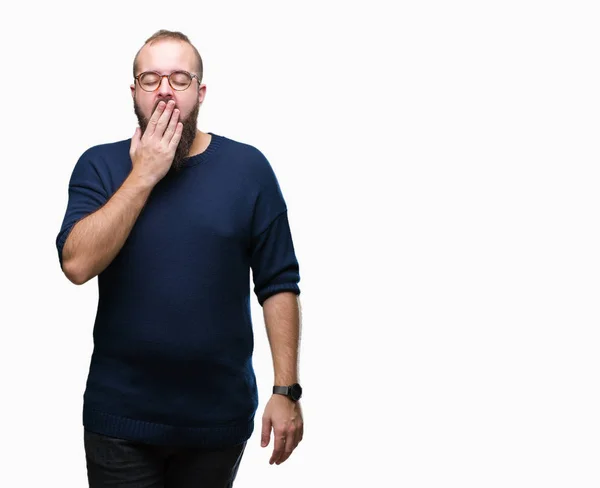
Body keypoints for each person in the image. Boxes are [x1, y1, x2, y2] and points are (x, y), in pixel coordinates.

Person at [55, 29, 304, 488]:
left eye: (180, 79)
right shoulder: (100, 166)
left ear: (200, 92)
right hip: (120, 422)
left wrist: (286, 390)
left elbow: (279, 282)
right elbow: (76, 265)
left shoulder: (248, 169)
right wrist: (144, 174)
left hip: (217, 422)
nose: (165, 89)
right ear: (134, 93)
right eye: (150, 79)